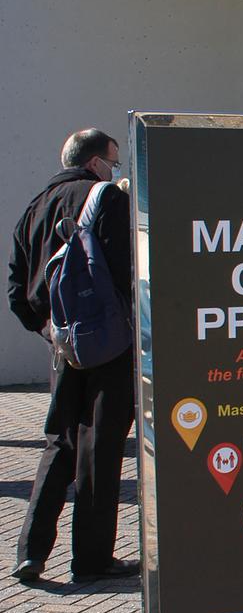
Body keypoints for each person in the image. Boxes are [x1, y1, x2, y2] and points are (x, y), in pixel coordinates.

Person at [7, 128, 139, 583]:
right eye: (114, 161)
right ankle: (91, 559)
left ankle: (31, 551)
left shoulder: (33, 209)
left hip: (65, 349)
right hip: (111, 348)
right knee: (100, 449)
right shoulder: (106, 199)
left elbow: (16, 291)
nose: (116, 170)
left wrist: (51, 332)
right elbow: (128, 277)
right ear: (96, 162)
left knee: (58, 444)